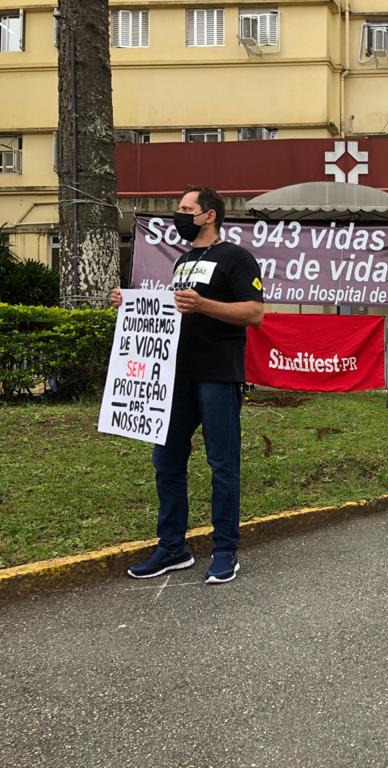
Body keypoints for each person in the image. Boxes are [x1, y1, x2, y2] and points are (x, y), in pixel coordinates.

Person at [110, 186, 264, 584]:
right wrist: (130, 305)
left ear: (209, 215)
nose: (178, 215)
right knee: (166, 461)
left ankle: (225, 549)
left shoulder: (236, 257)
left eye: (185, 208)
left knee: (222, 464)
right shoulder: (183, 260)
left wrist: (203, 305)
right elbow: (173, 310)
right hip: (176, 376)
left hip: (218, 374)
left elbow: (254, 312)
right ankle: (172, 547)